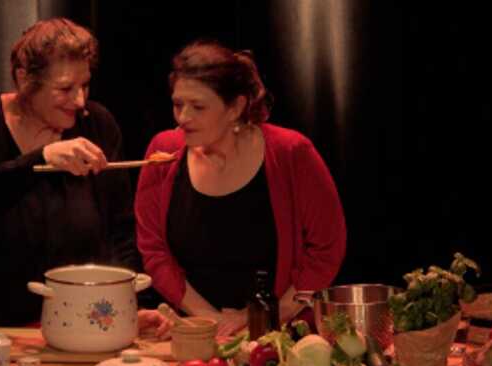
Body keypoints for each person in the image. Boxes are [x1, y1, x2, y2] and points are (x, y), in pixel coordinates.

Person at [135, 41, 347, 336]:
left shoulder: (291, 152)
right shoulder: (163, 152)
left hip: (282, 334)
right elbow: (154, 250)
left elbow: (326, 248)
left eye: (197, 107)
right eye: (177, 104)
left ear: (235, 107)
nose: (183, 118)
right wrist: (210, 321)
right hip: (195, 334)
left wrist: (264, 318)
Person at [0, 18, 142, 327]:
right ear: (24, 80)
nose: (79, 101)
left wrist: (127, 302)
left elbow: (121, 228)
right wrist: (41, 158)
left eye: (85, 85)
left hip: (86, 319)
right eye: (65, 88)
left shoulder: (99, 123)